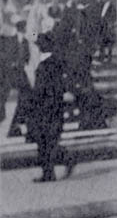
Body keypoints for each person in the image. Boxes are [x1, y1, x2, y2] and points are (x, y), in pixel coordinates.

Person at [24, 27, 75, 182]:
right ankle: (55, 168)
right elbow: (33, 36)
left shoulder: (48, 63)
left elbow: (47, 89)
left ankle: (58, 165)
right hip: (50, 108)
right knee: (46, 142)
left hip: (47, 109)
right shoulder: (52, 60)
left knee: (46, 142)